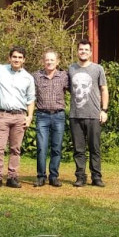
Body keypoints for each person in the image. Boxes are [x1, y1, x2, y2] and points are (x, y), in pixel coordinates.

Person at [0, 47, 35, 188]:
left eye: (20, 57)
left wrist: (30, 116)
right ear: (9, 58)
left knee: (15, 148)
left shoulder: (28, 78)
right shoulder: (0, 70)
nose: (17, 60)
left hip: (19, 116)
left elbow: (30, 99)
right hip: (2, 114)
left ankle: (12, 177)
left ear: (24, 60)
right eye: (14, 57)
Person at [68, 39, 108, 187]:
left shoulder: (98, 69)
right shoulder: (71, 69)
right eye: (81, 49)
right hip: (75, 115)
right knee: (78, 149)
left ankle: (96, 177)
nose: (83, 52)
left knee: (94, 148)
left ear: (90, 52)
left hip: (93, 114)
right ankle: (80, 176)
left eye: (86, 49)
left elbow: (104, 89)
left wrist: (104, 110)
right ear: (77, 51)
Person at [32, 50, 70, 187]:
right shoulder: (36, 76)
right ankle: (41, 176)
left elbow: (75, 89)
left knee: (56, 148)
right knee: (41, 147)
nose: (49, 62)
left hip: (58, 115)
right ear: (43, 61)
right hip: (42, 116)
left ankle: (54, 176)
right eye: (47, 60)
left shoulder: (64, 76)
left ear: (57, 62)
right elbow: (30, 95)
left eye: (52, 60)